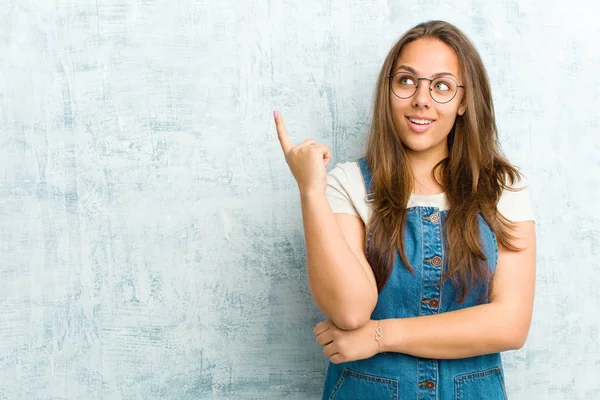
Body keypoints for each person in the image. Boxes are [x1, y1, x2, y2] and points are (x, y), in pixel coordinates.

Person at [274, 20, 536, 400]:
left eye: (442, 85)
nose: (422, 99)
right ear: (389, 91)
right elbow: (350, 312)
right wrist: (310, 191)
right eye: (406, 81)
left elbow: (510, 324)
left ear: (464, 102)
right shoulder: (348, 183)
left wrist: (380, 337)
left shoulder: (503, 187)